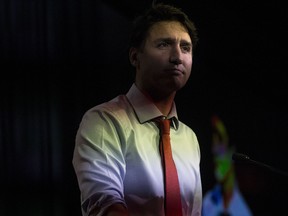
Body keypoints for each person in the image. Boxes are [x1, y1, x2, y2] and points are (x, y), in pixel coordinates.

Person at [72, 3, 202, 216]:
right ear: (135, 57)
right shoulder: (103, 121)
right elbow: (105, 206)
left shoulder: (189, 138)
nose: (177, 56)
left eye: (185, 48)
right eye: (164, 44)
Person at [202, 115, 253, 216]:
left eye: (220, 139)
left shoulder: (245, 209)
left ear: (233, 152)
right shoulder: (208, 201)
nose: (214, 148)